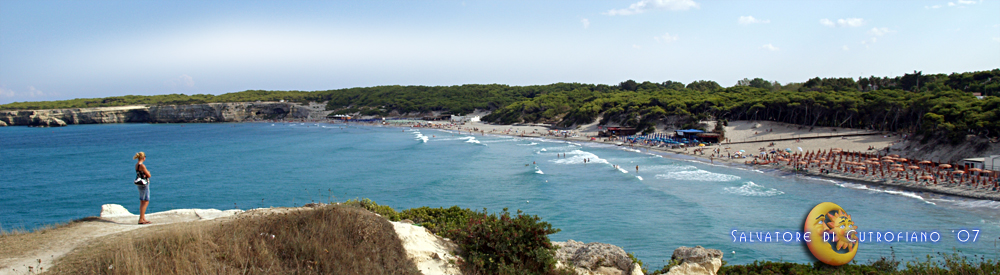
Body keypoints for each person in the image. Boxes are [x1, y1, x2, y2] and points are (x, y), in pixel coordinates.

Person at [133, 152, 152, 225]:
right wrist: (148, 172)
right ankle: (141, 219)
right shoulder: (142, 166)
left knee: (142, 201)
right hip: (144, 184)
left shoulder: (136, 165)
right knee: (146, 201)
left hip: (139, 184)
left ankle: (143, 218)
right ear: (144, 158)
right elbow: (148, 175)